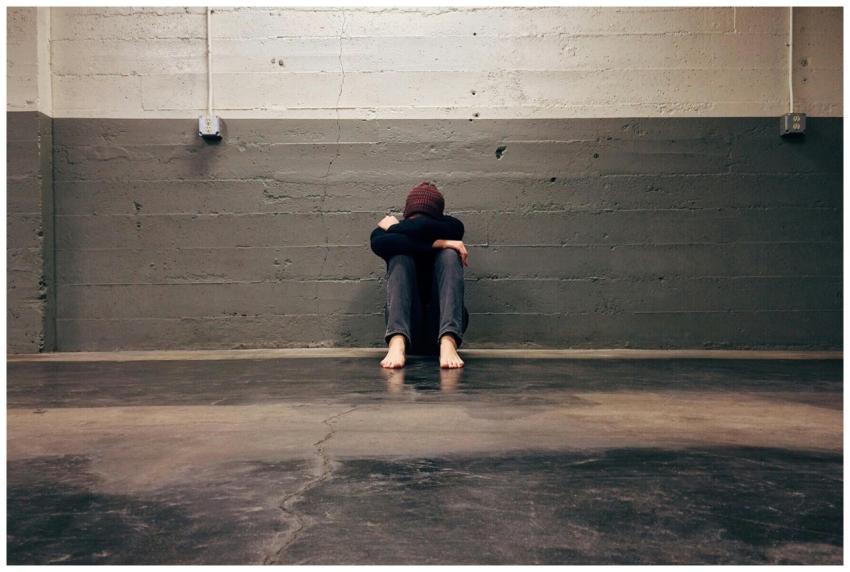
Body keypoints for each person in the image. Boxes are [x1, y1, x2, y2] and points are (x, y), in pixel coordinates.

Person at [370, 182, 470, 369]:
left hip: (440, 324)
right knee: (400, 256)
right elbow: (378, 243)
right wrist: (439, 242)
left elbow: (423, 227)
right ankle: (396, 341)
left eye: (425, 217)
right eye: (414, 217)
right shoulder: (384, 235)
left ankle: (449, 341)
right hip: (408, 327)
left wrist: (395, 227)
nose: (419, 221)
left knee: (449, 254)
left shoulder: (451, 226)